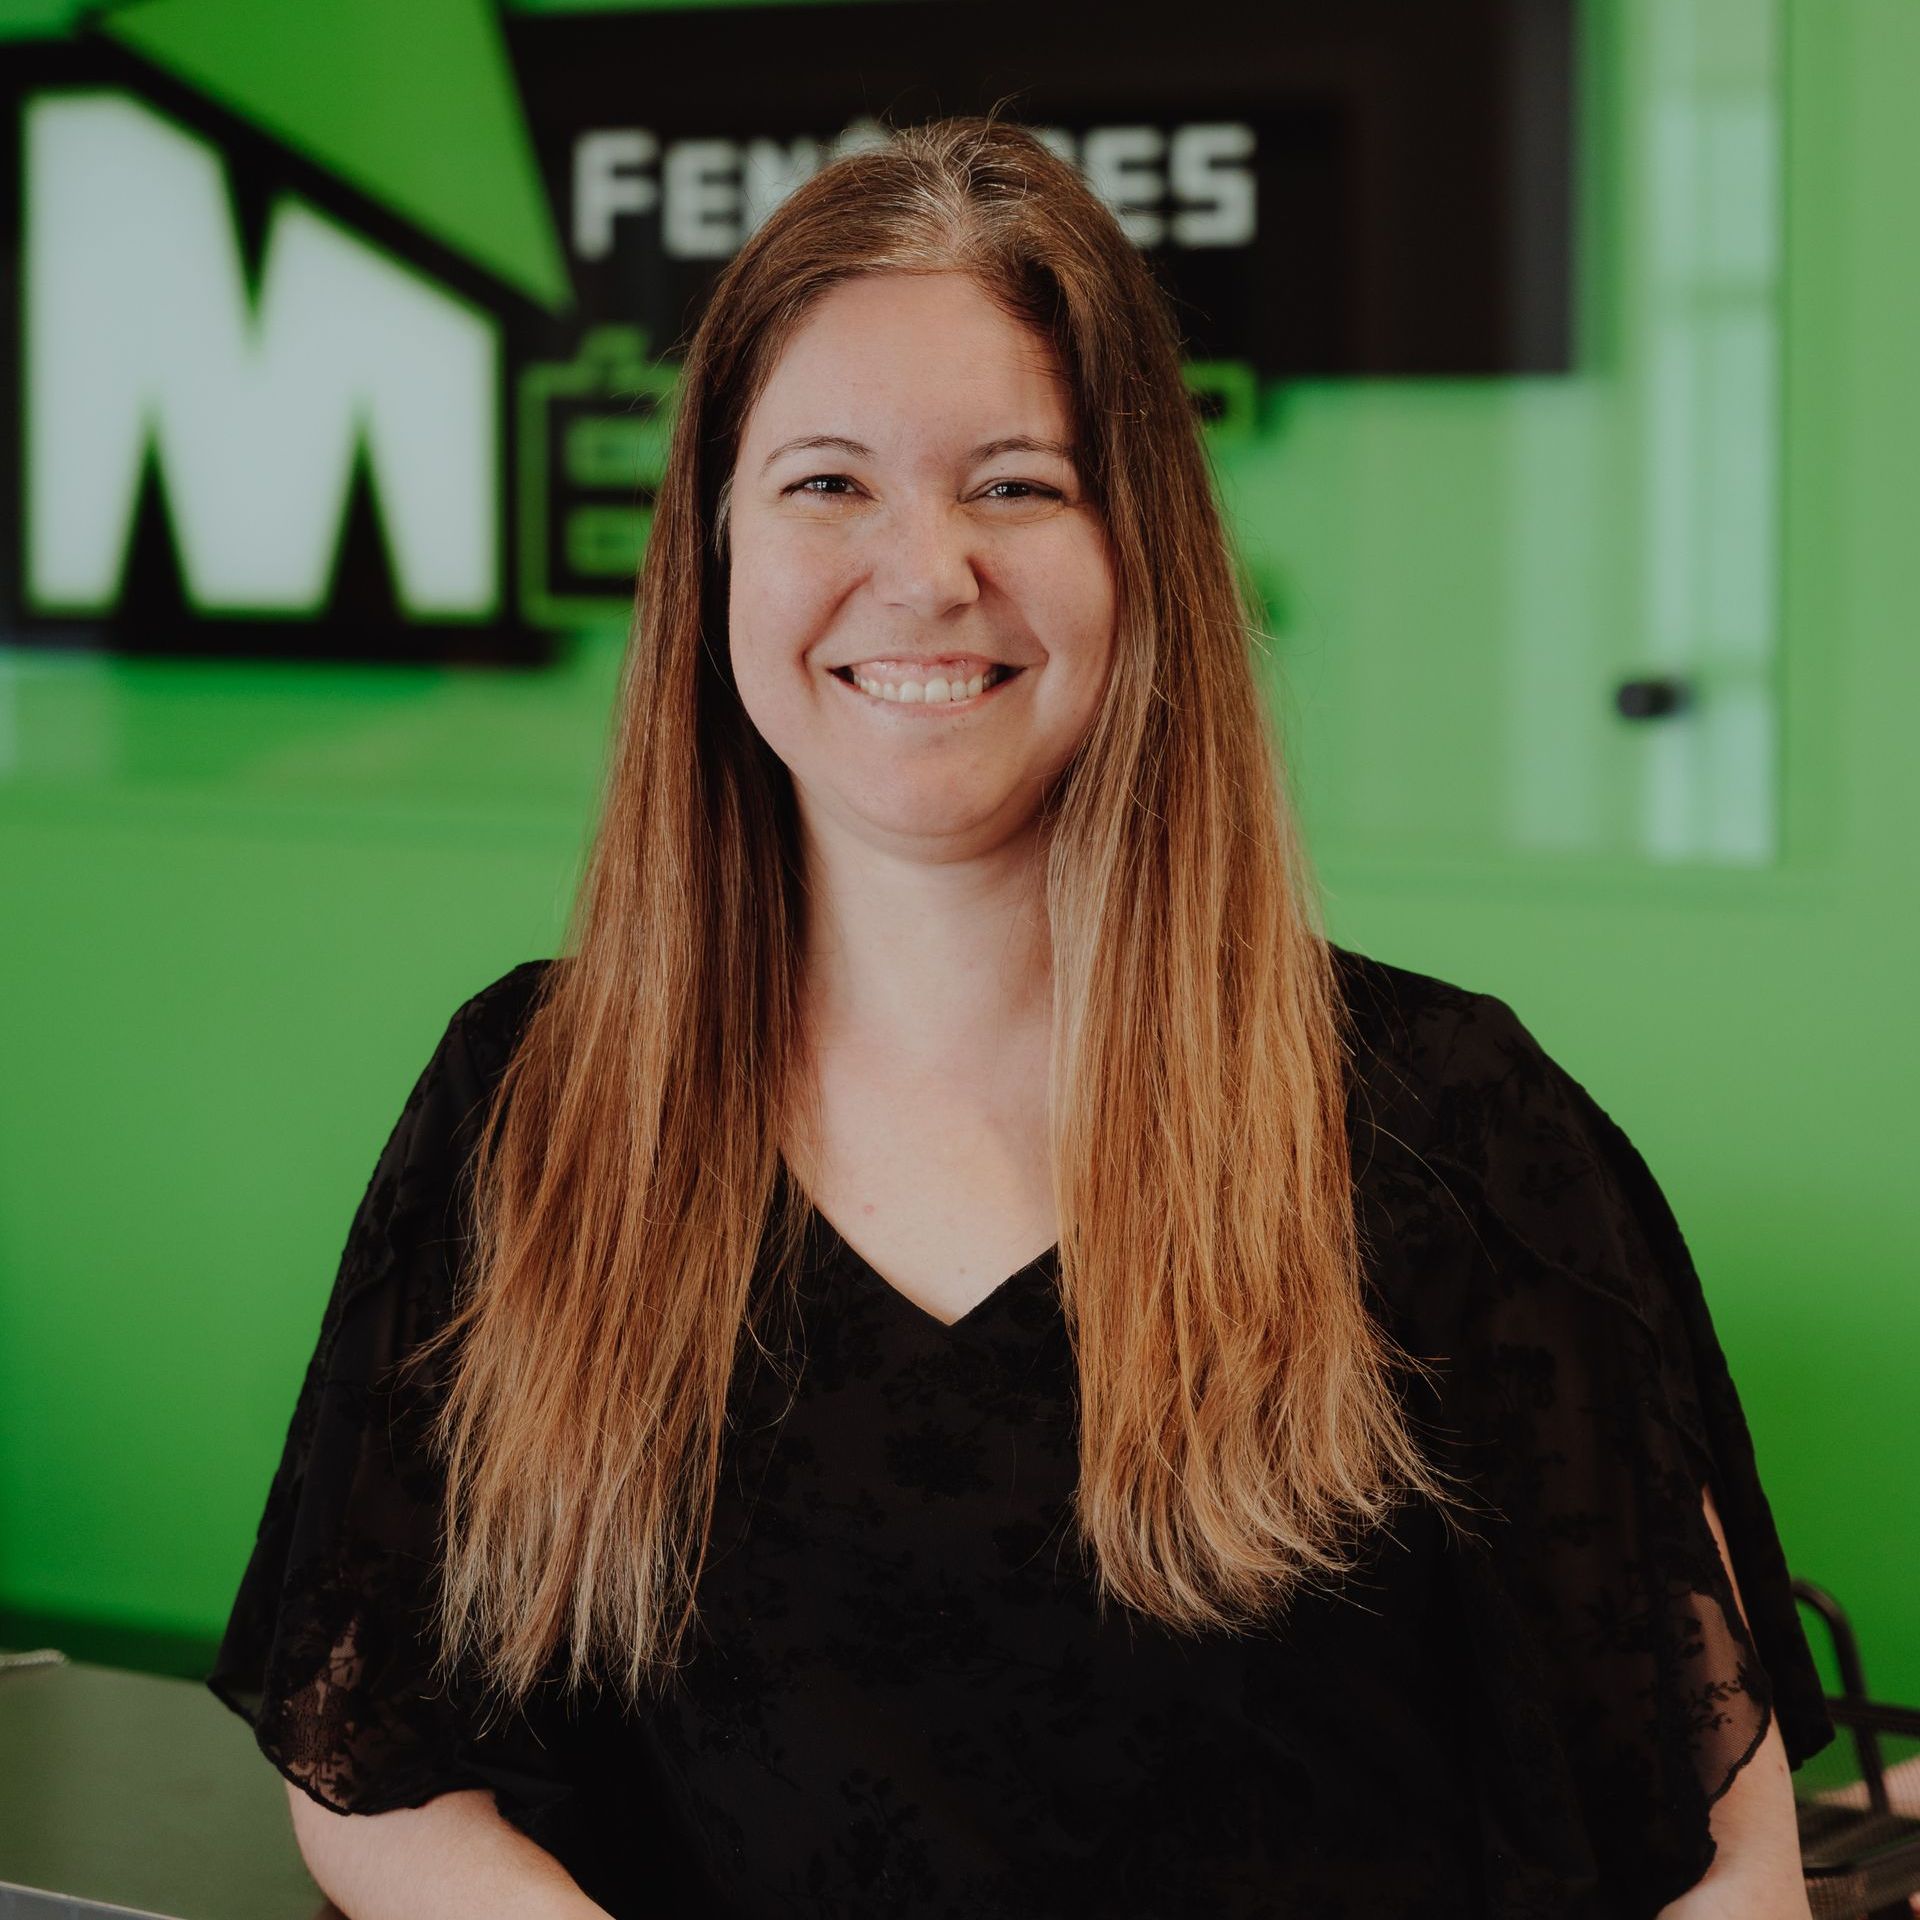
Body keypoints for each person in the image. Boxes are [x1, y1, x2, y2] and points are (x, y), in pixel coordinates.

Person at [206, 115, 1834, 1919]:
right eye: (828, 482)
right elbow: (376, 1774)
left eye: (1017, 483)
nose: (925, 572)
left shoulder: (1457, 1128)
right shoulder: (531, 1101)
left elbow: (1727, 1860)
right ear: (714, 552)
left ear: (1144, 553)